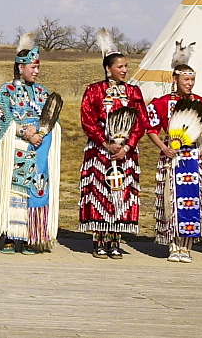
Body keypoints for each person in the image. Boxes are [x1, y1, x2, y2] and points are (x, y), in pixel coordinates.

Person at [0, 36, 62, 254]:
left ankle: (30, 237)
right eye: (33, 67)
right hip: (15, 151)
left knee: (35, 190)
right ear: (21, 67)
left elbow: (53, 119)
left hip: (38, 152)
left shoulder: (43, 93)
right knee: (12, 193)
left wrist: (41, 132)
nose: (36, 71)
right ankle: (9, 236)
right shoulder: (6, 91)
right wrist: (22, 132)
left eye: (38, 67)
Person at [145, 64, 202, 263]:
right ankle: (173, 246)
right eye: (186, 80)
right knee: (171, 201)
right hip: (172, 157)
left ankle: (186, 247)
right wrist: (163, 147)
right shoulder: (161, 103)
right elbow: (151, 128)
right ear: (174, 79)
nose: (190, 84)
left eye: (192, 80)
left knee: (192, 202)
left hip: (194, 157)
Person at [79, 47, 146, 259]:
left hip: (126, 154)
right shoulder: (94, 91)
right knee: (100, 194)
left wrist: (126, 146)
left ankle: (116, 242)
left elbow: (141, 122)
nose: (125, 70)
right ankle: (99, 241)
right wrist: (105, 143)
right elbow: (87, 120)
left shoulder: (134, 92)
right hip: (99, 153)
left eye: (126, 66)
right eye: (121, 66)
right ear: (109, 69)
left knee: (120, 195)